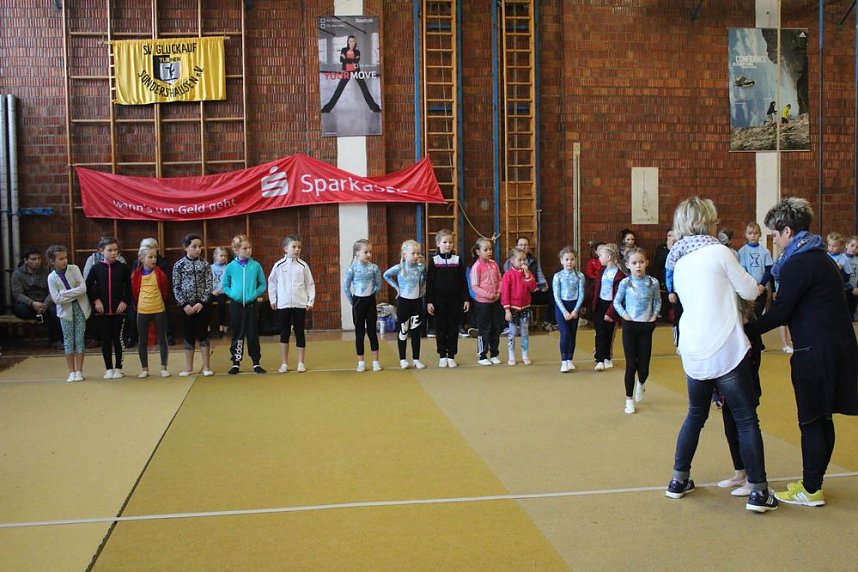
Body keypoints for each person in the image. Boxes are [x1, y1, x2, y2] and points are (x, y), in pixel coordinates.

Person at [664, 196, 777, 513]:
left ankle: (678, 479)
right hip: (725, 347)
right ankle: (758, 491)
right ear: (706, 221)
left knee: (695, 415)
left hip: (693, 350)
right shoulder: (720, 252)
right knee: (745, 419)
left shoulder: (679, 260)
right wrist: (758, 285)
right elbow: (750, 290)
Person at [745, 197, 858, 507]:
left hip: (815, 352)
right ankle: (813, 485)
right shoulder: (820, 258)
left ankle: (810, 489)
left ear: (788, 231)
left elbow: (780, 312)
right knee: (824, 418)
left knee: (810, 420)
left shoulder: (798, 263)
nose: (776, 241)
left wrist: (747, 329)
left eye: (776, 235)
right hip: (838, 348)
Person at [613, 247, 660, 414]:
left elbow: (657, 301)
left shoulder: (652, 282)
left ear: (646, 263)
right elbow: (617, 302)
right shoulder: (625, 283)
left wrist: (654, 316)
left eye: (641, 262)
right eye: (634, 263)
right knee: (631, 364)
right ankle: (628, 399)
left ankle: (641, 383)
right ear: (628, 265)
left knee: (644, 366)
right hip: (630, 327)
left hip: (646, 326)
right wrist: (625, 315)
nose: (638, 266)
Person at [86, 236, 132, 379]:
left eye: (115, 250)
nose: (113, 253)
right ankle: (108, 368)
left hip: (119, 311)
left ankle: (119, 367)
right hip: (102, 311)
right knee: (106, 339)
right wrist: (96, 300)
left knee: (118, 339)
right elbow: (87, 286)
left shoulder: (123, 268)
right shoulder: (96, 268)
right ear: (101, 251)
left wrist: (125, 301)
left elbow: (130, 287)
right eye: (109, 250)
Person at [268, 235, 315, 374]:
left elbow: (310, 284)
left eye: (299, 247)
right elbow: (272, 283)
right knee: (284, 333)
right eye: (293, 247)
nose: (297, 250)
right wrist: (273, 300)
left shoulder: (303, 266)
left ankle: (301, 362)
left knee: (300, 332)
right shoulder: (278, 265)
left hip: (300, 304)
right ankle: (284, 363)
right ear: (285, 249)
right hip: (283, 304)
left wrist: (310, 300)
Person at [222, 234, 267, 375]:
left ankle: (256, 362)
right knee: (238, 334)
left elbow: (262, 284)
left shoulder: (255, 266)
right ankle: (236, 362)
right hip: (236, 306)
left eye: (250, 248)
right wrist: (235, 295)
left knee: (253, 333)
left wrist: (254, 294)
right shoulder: (230, 267)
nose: (248, 250)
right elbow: (225, 285)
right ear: (236, 250)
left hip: (252, 305)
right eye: (245, 248)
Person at [46, 245, 91, 382]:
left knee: (79, 339)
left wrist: (65, 293)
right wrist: (72, 293)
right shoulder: (51, 277)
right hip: (65, 311)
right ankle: (71, 371)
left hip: (80, 308)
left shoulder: (74, 269)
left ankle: (79, 370)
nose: (64, 261)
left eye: (65, 258)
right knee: (68, 340)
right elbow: (56, 299)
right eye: (60, 259)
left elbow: (83, 289)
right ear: (52, 261)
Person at [426, 229, 469, 368]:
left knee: (452, 328)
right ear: (438, 244)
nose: (448, 245)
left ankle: (451, 355)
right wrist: (429, 301)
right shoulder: (433, 261)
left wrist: (466, 298)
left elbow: (463, 281)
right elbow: (430, 283)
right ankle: (442, 355)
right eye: (444, 242)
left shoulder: (457, 260)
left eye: (450, 242)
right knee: (441, 328)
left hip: (455, 300)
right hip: (439, 300)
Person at [172, 234, 214, 377]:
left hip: (202, 306)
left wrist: (202, 302)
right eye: (194, 246)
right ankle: (188, 367)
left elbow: (209, 285)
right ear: (186, 247)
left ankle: (206, 366)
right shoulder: (179, 265)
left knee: (203, 335)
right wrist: (184, 304)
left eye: (199, 246)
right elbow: (176, 287)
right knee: (189, 336)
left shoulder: (205, 264)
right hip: (186, 307)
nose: (198, 249)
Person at [384, 240, 426, 369]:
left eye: (418, 253)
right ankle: (402, 359)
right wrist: (396, 288)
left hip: (417, 303)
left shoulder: (420, 267)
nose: (416, 256)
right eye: (413, 253)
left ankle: (416, 358)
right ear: (404, 254)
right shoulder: (399, 268)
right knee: (403, 331)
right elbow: (386, 275)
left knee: (415, 332)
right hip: (404, 303)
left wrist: (424, 273)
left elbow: (423, 279)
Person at [343, 239, 383, 372]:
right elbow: (346, 286)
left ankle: (375, 361)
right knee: (359, 333)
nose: (369, 255)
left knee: (372, 332)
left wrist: (373, 295)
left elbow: (379, 283)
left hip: (370, 301)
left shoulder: (374, 268)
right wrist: (352, 301)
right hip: (358, 303)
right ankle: (360, 362)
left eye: (370, 252)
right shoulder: (352, 269)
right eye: (366, 252)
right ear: (357, 254)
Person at [132, 244, 171, 379]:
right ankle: (145, 368)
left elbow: (165, 292)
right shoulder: (136, 275)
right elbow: (135, 292)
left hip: (159, 310)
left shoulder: (160, 274)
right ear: (141, 259)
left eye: (155, 257)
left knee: (162, 339)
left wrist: (160, 302)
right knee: (142, 340)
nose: (153, 259)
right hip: (143, 311)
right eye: (150, 257)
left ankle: (163, 367)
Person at [11, 247, 63, 349]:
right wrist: (32, 303)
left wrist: (45, 304)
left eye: (39, 258)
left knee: (57, 311)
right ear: (26, 260)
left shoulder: (47, 271)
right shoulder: (17, 274)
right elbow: (17, 294)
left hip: (45, 302)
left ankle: (55, 341)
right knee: (21, 309)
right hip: (27, 303)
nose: (37, 261)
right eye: (33, 259)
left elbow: (53, 290)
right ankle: (41, 317)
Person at [126, 237, 173, 349]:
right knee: (132, 311)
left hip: (158, 296)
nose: (152, 258)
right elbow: (133, 282)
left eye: (152, 249)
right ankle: (132, 336)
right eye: (146, 248)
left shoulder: (162, 263)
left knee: (166, 309)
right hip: (142, 297)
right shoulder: (136, 264)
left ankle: (168, 335)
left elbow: (166, 284)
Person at [320, 35, 382, 113]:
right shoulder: (344, 50)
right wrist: (351, 60)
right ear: (348, 42)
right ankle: (327, 108)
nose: (352, 43)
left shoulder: (357, 51)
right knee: (338, 90)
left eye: (353, 41)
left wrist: (346, 59)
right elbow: (341, 60)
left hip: (356, 71)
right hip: (347, 72)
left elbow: (356, 61)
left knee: (364, 89)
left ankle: (374, 107)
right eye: (350, 41)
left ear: (355, 42)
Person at [590, 243, 625, 371]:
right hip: (600, 304)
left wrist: (611, 312)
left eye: (601, 255)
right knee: (600, 332)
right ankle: (599, 359)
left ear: (609, 257)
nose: (599, 258)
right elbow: (596, 288)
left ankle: (607, 357)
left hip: (612, 306)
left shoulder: (620, 275)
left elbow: (618, 296)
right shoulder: (602, 271)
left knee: (609, 333)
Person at [469, 238, 503, 366]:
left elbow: (500, 280)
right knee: (484, 328)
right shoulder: (476, 267)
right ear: (478, 252)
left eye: (490, 249)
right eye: (486, 250)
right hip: (482, 303)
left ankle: (494, 353)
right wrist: (489, 295)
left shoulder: (494, 264)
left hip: (495, 301)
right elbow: (475, 286)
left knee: (495, 327)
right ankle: (482, 354)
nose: (489, 252)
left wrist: (498, 293)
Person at [501, 247, 537, 365]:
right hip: (513, 308)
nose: (523, 262)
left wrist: (527, 275)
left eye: (524, 260)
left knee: (525, 332)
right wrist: (507, 310)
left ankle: (525, 354)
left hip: (525, 307)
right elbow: (505, 293)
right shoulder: (508, 275)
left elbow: (532, 288)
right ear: (512, 260)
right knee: (512, 332)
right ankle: (511, 355)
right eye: (520, 260)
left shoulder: (527, 273)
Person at [503, 236, 551, 326]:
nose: (523, 247)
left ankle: (548, 321)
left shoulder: (534, 260)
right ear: (516, 246)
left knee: (552, 292)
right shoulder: (510, 262)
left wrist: (544, 284)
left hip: (532, 288)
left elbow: (540, 274)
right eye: (521, 245)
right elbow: (512, 281)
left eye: (525, 245)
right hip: (517, 292)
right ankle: (509, 324)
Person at [552, 246, 584, 373]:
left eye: (572, 259)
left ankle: (570, 359)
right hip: (562, 307)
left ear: (575, 260)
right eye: (566, 259)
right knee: (565, 334)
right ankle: (564, 360)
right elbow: (556, 295)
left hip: (574, 306)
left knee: (572, 335)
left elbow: (581, 295)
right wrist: (564, 311)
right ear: (561, 261)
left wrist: (576, 310)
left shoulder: (580, 276)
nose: (569, 262)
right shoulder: (558, 276)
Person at [737, 222, 774, 320]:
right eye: (750, 233)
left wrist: (762, 285)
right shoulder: (742, 252)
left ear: (760, 234)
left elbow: (768, 270)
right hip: (749, 287)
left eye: (755, 233)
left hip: (761, 289)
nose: (753, 236)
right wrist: (752, 285)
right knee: (748, 317)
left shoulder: (765, 252)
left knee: (757, 316)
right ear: (746, 235)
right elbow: (743, 270)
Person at [210, 247, 230, 338]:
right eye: (221, 255)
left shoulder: (228, 268)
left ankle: (221, 327)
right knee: (206, 303)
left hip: (223, 292)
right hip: (212, 291)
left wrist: (222, 290)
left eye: (225, 256)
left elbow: (228, 281)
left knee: (221, 304)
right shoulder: (210, 267)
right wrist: (212, 291)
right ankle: (208, 327)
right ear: (215, 256)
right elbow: (208, 280)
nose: (223, 258)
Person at [843, 236, 858, 320]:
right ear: (846, 245)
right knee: (844, 312)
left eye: (857, 247)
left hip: (855, 291)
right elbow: (840, 276)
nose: (854, 248)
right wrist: (850, 287)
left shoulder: (857, 260)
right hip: (844, 290)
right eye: (852, 245)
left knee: (852, 312)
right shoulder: (842, 258)